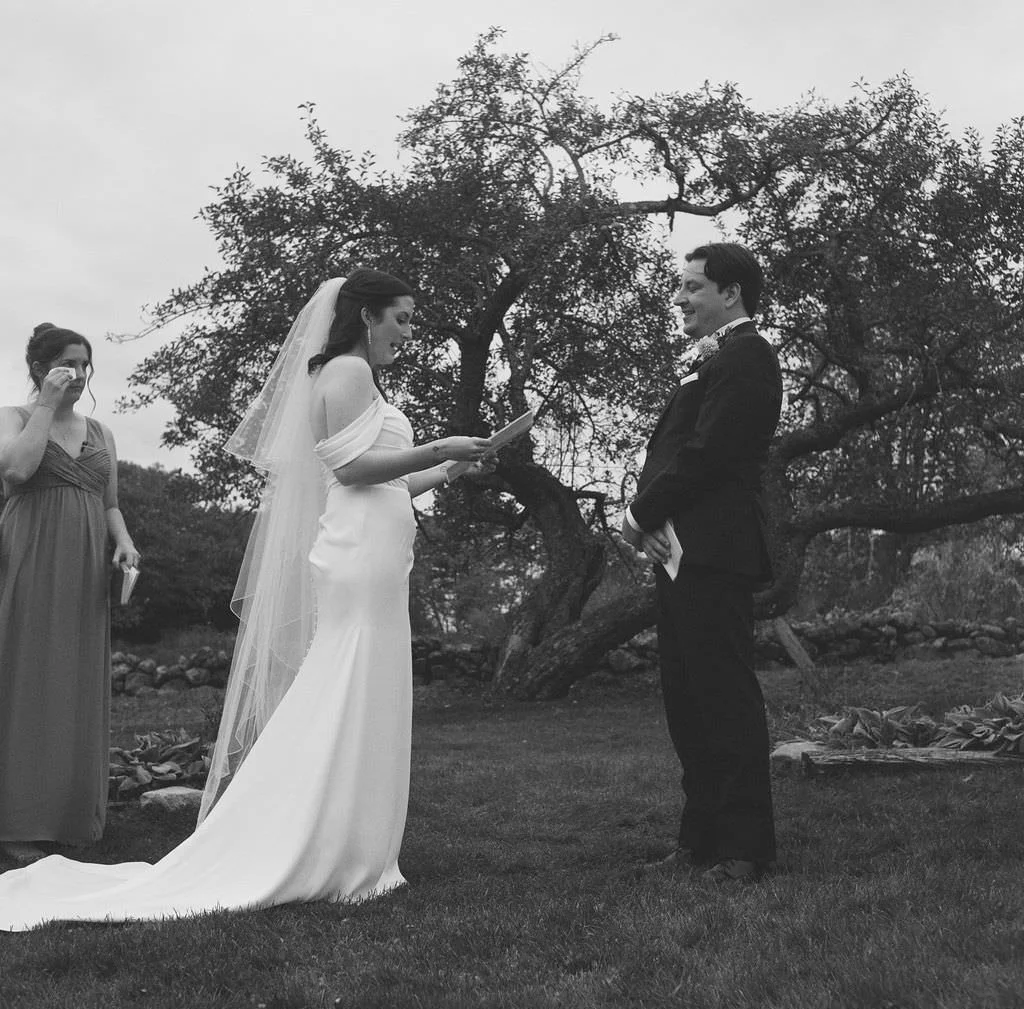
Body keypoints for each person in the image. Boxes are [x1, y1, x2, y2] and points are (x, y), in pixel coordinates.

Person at [0, 269, 493, 930]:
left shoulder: (356, 376)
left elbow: (386, 482)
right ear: (368, 316)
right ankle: (317, 836)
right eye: (401, 318)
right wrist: (438, 444)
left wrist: (450, 466)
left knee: (362, 687)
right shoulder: (346, 371)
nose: (408, 332)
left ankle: (350, 836)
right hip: (357, 556)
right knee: (344, 683)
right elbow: (347, 472)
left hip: (376, 550)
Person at [621, 243, 783, 884]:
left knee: (724, 697)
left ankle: (746, 848)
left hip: (715, 552)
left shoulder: (750, 356)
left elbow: (711, 452)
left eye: (691, 287)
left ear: (731, 293)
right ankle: (702, 838)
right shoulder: (712, 359)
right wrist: (655, 518)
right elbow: (674, 450)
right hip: (679, 551)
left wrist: (638, 517)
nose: (680, 299)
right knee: (686, 700)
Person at [0, 325, 140, 866]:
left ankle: (63, 815)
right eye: (66, 364)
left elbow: (110, 503)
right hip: (29, 558)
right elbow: (15, 472)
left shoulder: (101, 432)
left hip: (85, 570)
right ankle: (13, 820)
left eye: (84, 365)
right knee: (25, 678)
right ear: (38, 369)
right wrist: (46, 406)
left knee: (72, 682)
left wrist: (124, 543)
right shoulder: (14, 418)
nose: (78, 375)